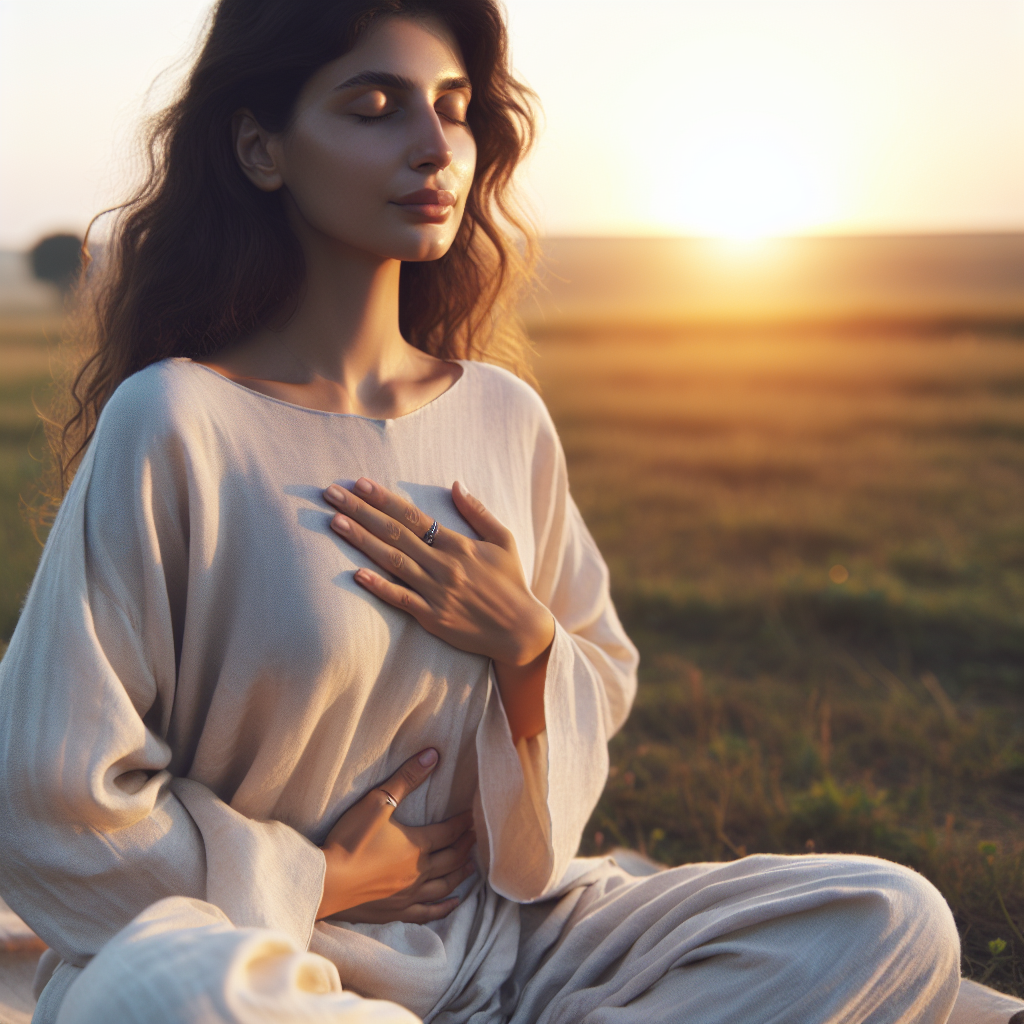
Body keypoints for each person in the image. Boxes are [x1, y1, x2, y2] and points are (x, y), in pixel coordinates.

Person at [0, 1, 961, 1021]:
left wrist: (528, 642)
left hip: (499, 943)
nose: (433, 146)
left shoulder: (502, 415)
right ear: (260, 149)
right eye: (373, 107)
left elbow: (577, 721)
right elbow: (54, 789)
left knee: (889, 916)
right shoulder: (178, 419)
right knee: (166, 992)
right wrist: (315, 881)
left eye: (453, 109)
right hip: (262, 954)